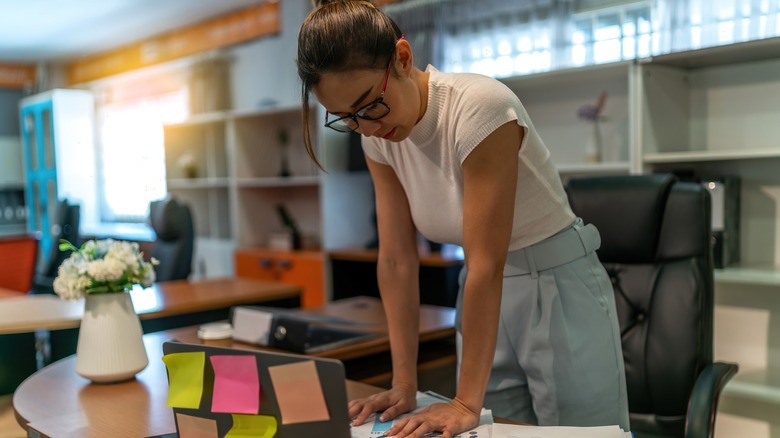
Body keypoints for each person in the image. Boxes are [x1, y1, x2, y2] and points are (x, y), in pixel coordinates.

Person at [296, 1, 630, 437]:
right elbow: (396, 260)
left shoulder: (479, 107)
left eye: (370, 105)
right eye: (347, 118)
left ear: (402, 57)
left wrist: (464, 400)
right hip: (481, 295)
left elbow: (485, 262)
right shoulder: (377, 139)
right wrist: (403, 384)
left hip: (556, 286)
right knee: (485, 432)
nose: (367, 128)